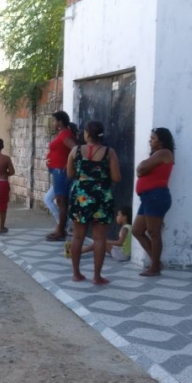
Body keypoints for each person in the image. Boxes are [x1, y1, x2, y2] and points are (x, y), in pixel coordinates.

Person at [67, 121, 121, 285]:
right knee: (99, 239)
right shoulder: (109, 152)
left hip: (80, 196)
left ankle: (76, 274)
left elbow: (69, 174)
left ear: (88, 134)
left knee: (78, 236)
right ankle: (97, 276)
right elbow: (116, 178)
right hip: (101, 197)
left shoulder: (75, 151)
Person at [133, 128, 175, 277]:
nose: (150, 141)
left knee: (153, 232)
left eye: (153, 138)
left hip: (156, 196)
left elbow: (142, 167)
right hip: (148, 197)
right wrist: (141, 170)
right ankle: (156, 262)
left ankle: (155, 267)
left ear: (161, 141)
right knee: (137, 230)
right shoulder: (158, 154)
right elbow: (141, 169)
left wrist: (141, 169)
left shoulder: (164, 152)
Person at [45, 111, 77, 242]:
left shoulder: (65, 134)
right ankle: (61, 228)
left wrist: (68, 163)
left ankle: (61, 230)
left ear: (60, 122)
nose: (53, 123)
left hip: (61, 172)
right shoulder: (63, 133)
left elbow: (75, 149)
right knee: (60, 201)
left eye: (54, 120)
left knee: (61, 202)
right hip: (57, 171)